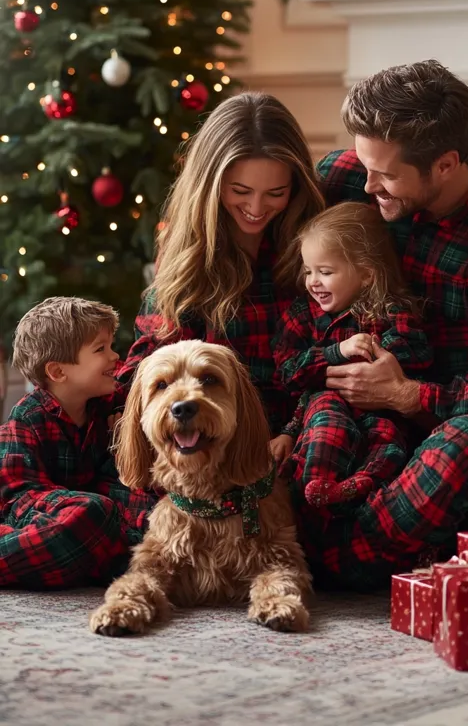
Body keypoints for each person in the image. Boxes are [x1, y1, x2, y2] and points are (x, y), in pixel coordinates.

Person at [291, 59, 468, 590]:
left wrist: (403, 394)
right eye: (364, 162)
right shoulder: (347, 177)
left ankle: (333, 559)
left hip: (454, 454)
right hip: (359, 437)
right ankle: (339, 540)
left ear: (444, 165)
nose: (367, 183)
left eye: (386, 174)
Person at [116, 92, 325, 435]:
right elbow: (157, 352)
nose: (256, 208)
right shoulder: (187, 250)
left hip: (304, 428)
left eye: (276, 193)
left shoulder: (316, 242)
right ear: (210, 183)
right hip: (215, 434)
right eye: (240, 190)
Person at [270, 202, 432, 506]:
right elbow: (288, 373)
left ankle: (361, 483)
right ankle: (315, 490)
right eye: (308, 271)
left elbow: (417, 352)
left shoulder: (389, 311)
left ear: (366, 274)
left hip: (379, 409)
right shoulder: (303, 316)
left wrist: (381, 354)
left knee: (388, 437)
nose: (313, 282)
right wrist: (336, 353)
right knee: (326, 414)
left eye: (325, 272)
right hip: (320, 411)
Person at [0, 297, 156, 589]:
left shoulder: (107, 404)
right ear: (58, 372)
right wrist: (77, 507)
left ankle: (89, 557)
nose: (115, 356)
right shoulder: (27, 418)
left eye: (111, 345)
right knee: (93, 513)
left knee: (156, 518)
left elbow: (118, 481)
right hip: (42, 519)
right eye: (100, 349)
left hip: (94, 517)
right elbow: (18, 499)